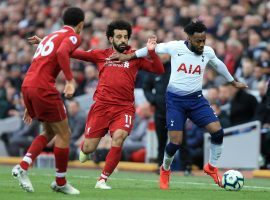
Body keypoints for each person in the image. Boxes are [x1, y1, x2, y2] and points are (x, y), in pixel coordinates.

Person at [110, 20, 247, 189]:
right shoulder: (175, 47)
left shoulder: (208, 52)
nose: (202, 44)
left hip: (197, 100)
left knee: (218, 132)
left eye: (204, 40)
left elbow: (218, 65)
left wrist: (233, 81)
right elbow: (150, 50)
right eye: (198, 41)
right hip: (175, 101)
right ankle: (165, 169)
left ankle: (211, 167)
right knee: (175, 142)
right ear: (189, 38)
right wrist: (127, 56)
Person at [69, 20, 164, 189]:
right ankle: (86, 150)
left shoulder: (135, 56)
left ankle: (102, 180)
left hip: (124, 108)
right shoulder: (100, 54)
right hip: (101, 107)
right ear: (111, 39)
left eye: (125, 37)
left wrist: (152, 52)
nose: (122, 40)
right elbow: (75, 53)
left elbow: (159, 70)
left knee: (119, 138)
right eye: (118, 36)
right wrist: (47, 43)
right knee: (89, 147)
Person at [11, 7, 85, 195]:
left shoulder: (53, 34)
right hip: (43, 87)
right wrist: (70, 80)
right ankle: (60, 181)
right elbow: (61, 53)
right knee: (64, 134)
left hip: (28, 86)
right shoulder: (74, 35)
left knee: (50, 131)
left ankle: (23, 165)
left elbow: (52, 49)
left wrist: (30, 103)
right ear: (81, 25)